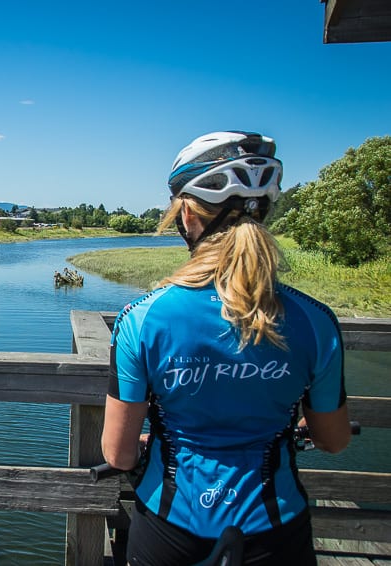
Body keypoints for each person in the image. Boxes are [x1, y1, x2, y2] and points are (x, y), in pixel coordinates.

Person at [101, 131, 352, 565]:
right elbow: (334, 440)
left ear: (187, 217)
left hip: (171, 525)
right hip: (275, 528)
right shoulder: (315, 320)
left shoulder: (141, 319)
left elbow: (118, 454)